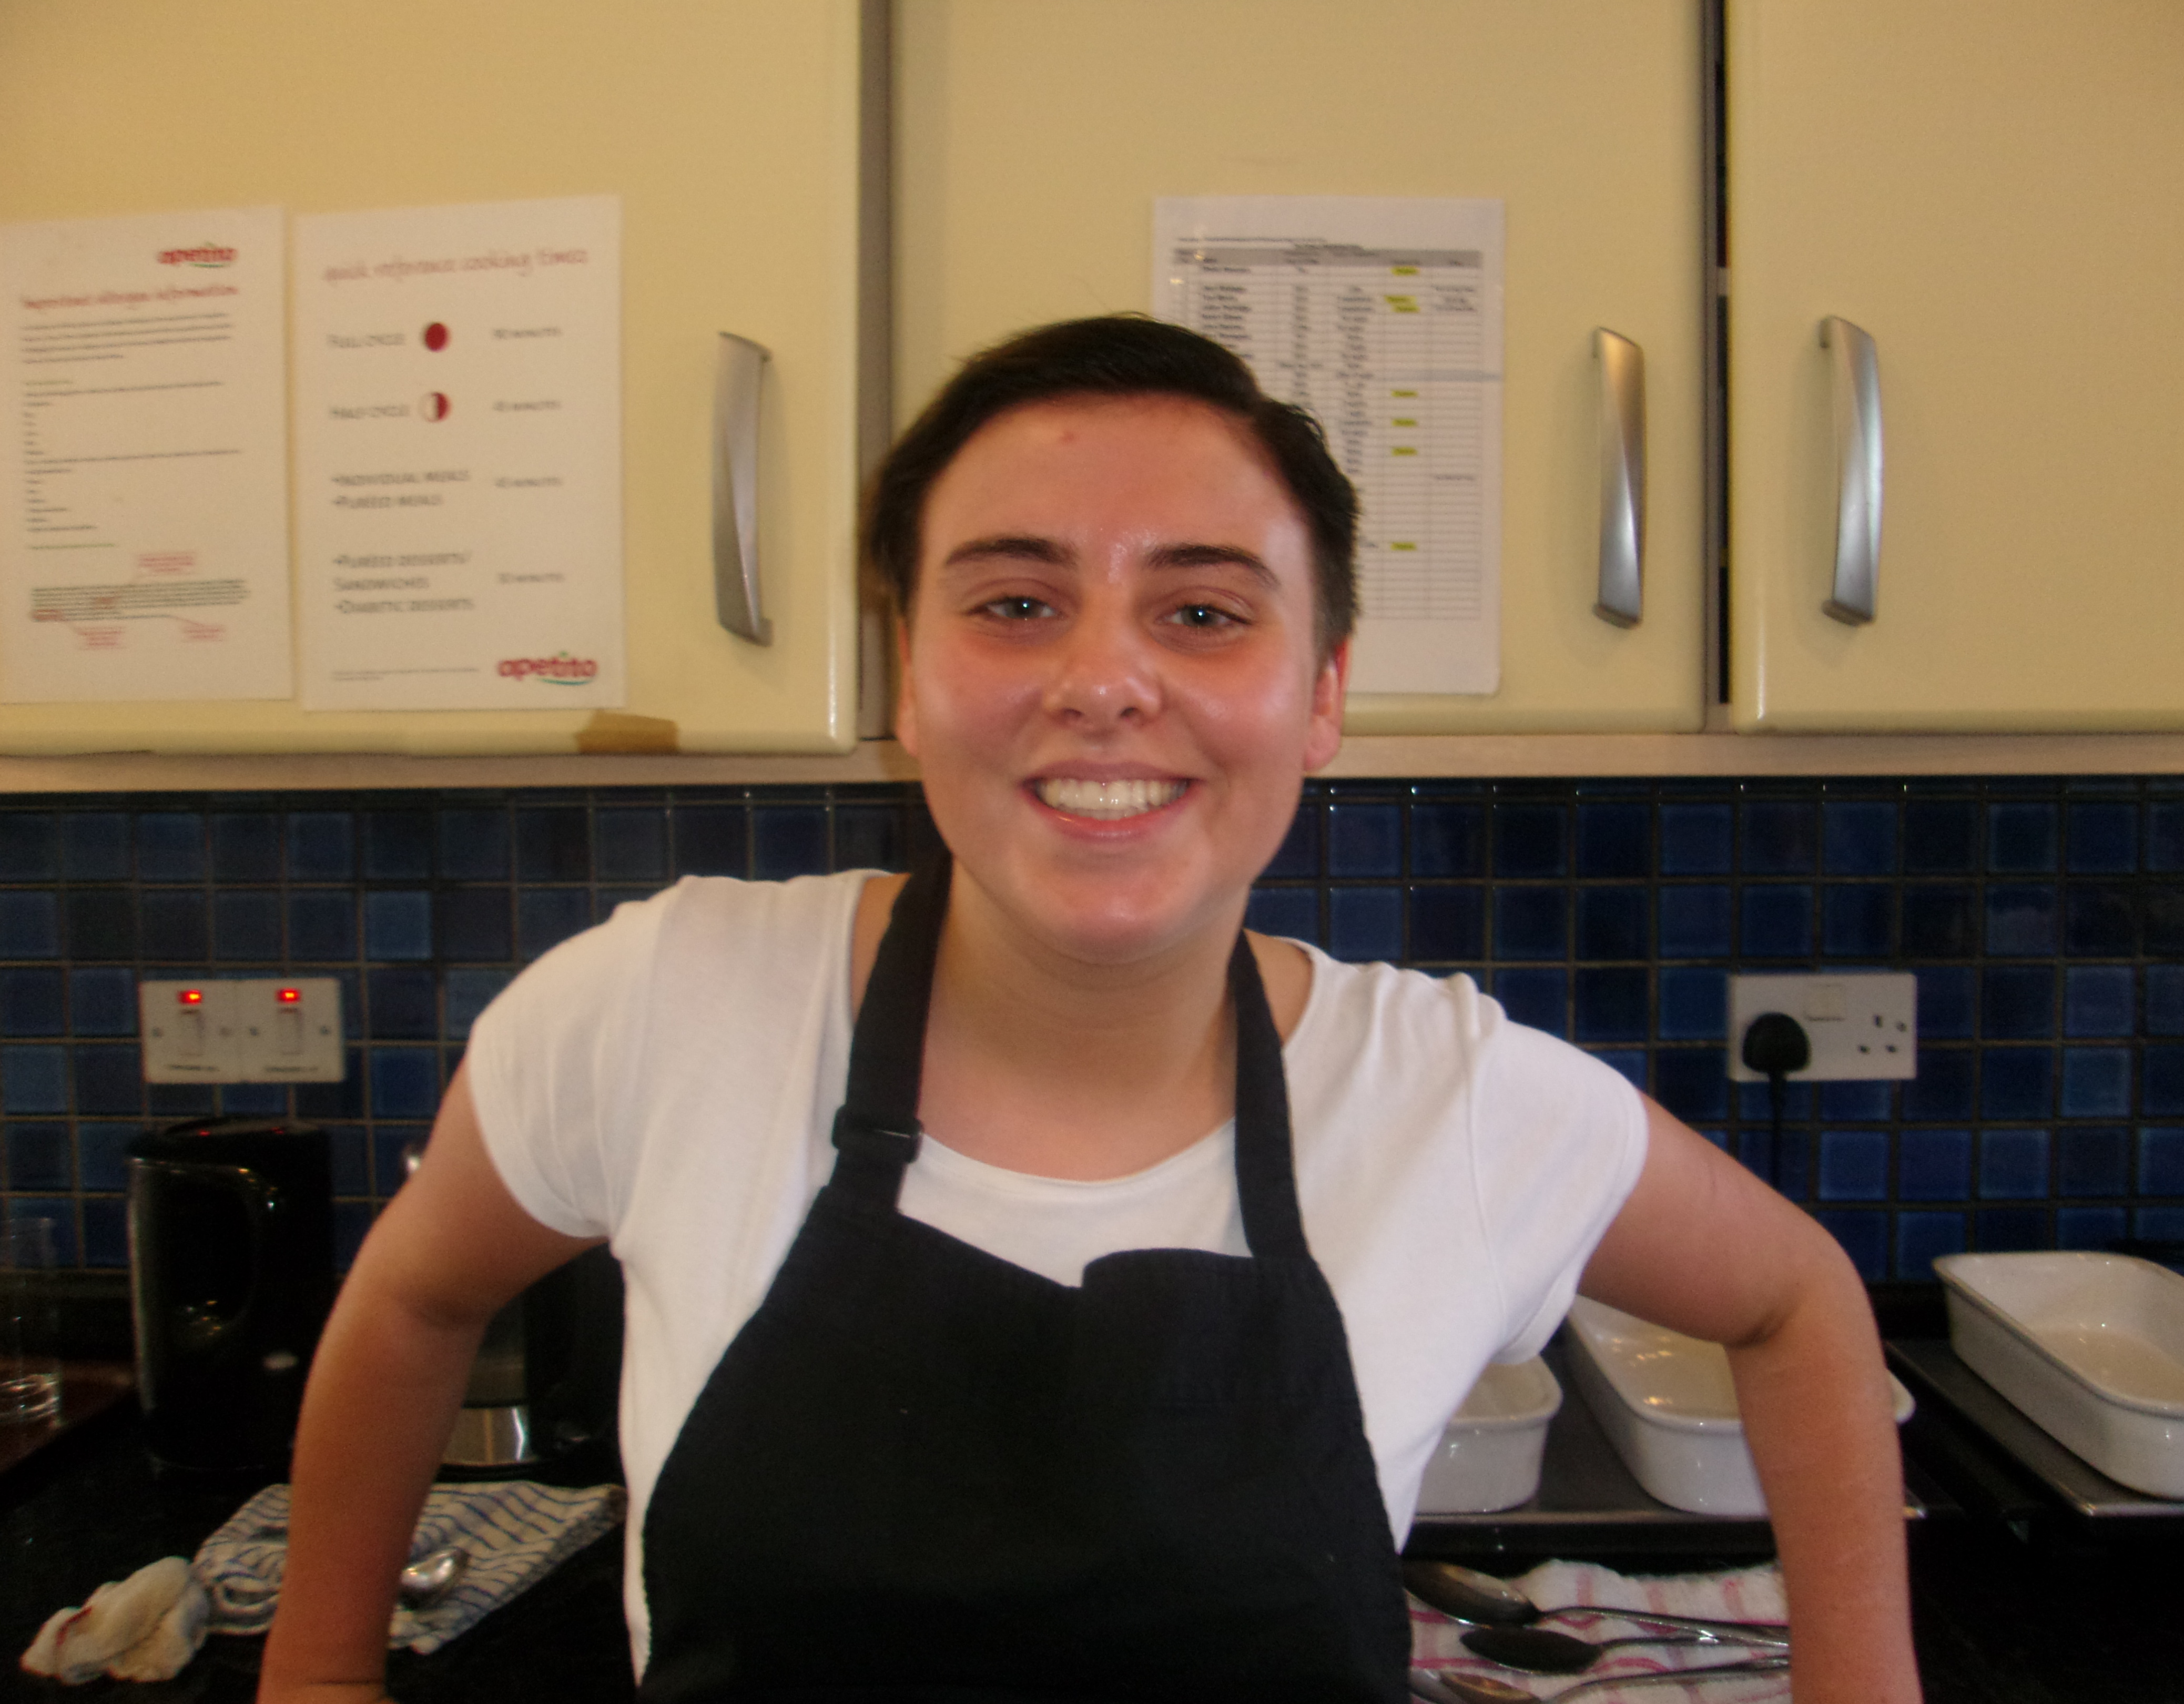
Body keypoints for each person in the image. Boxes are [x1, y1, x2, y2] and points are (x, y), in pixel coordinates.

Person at [259, 317, 1922, 1704]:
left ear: (1322, 694)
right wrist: (319, 1674)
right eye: (1015, 602)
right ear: (909, 679)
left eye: (1203, 612)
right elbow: (413, 1296)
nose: (1106, 681)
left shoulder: (1450, 1100)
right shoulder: (663, 1008)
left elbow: (1795, 1300)